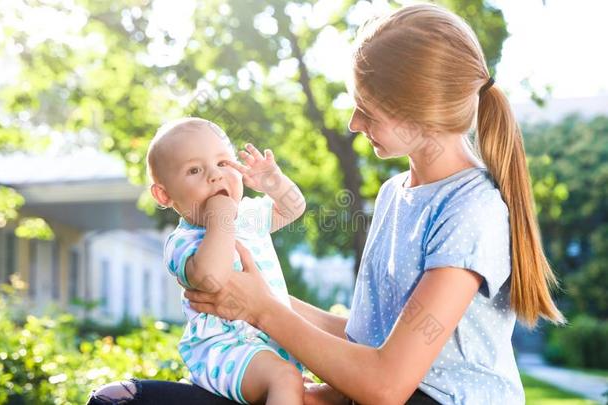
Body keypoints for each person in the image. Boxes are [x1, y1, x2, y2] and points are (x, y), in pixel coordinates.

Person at [87, 3, 564, 404]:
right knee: (119, 400)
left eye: (368, 109)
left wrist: (263, 311)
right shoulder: (396, 193)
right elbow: (367, 338)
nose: (355, 123)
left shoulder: (471, 210)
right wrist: (258, 296)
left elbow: (387, 383)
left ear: (422, 112)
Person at [90, 117, 308, 405]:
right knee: (285, 379)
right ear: (164, 194)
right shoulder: (183, 242)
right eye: (194, 170)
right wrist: (220, 216)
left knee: (309, 380)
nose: (214, 176)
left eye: (222, 163)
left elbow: (293, 208)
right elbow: (210, 277)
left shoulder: (248, 216)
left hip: (269, 346)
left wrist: (274, 182)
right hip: (226, 350)